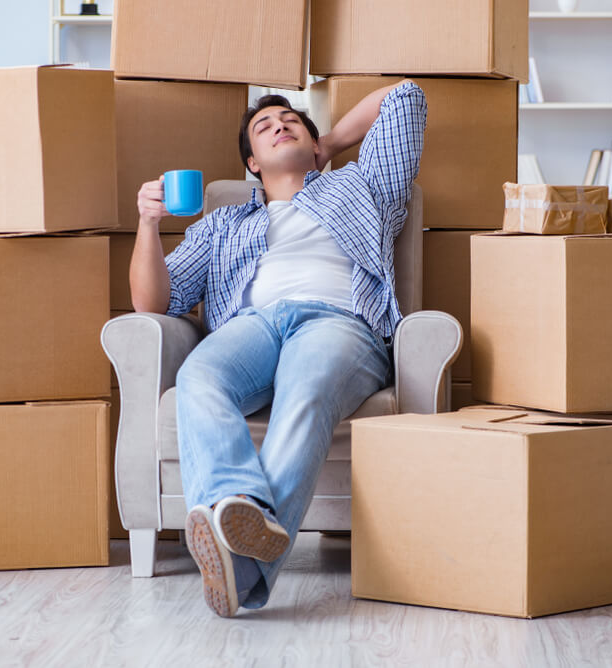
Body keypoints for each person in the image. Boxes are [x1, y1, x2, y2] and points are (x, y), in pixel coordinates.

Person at [129, 79, 426, 617]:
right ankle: (240, 503)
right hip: (254, 325)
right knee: (198, 376)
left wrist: (328, 144)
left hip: (339, 322)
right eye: (264, 127)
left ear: (312, 143)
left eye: (291, 121)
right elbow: (155, 304)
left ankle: (243, 569)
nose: (280, 125)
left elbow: (405, 97)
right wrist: (148, 225)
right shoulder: (222, 223)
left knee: (305, 389)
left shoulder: (364, 185)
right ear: (252, 162)